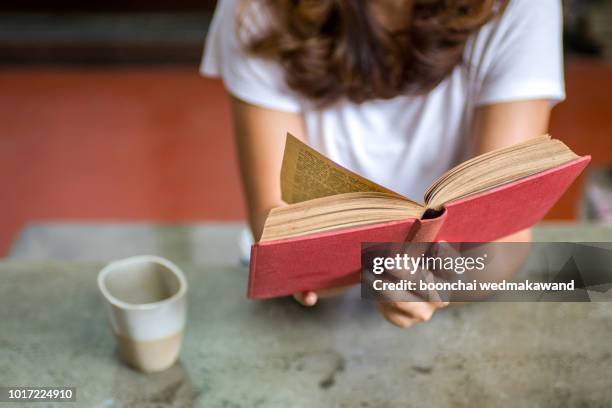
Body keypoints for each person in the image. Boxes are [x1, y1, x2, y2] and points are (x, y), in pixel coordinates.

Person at [201, 0, 565, 328]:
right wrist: (314, 269)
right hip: (316, 306)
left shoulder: (520, 6)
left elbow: (504, 238)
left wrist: (429, 284)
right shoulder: (255, 8)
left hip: (450, 290)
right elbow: (273, 221)